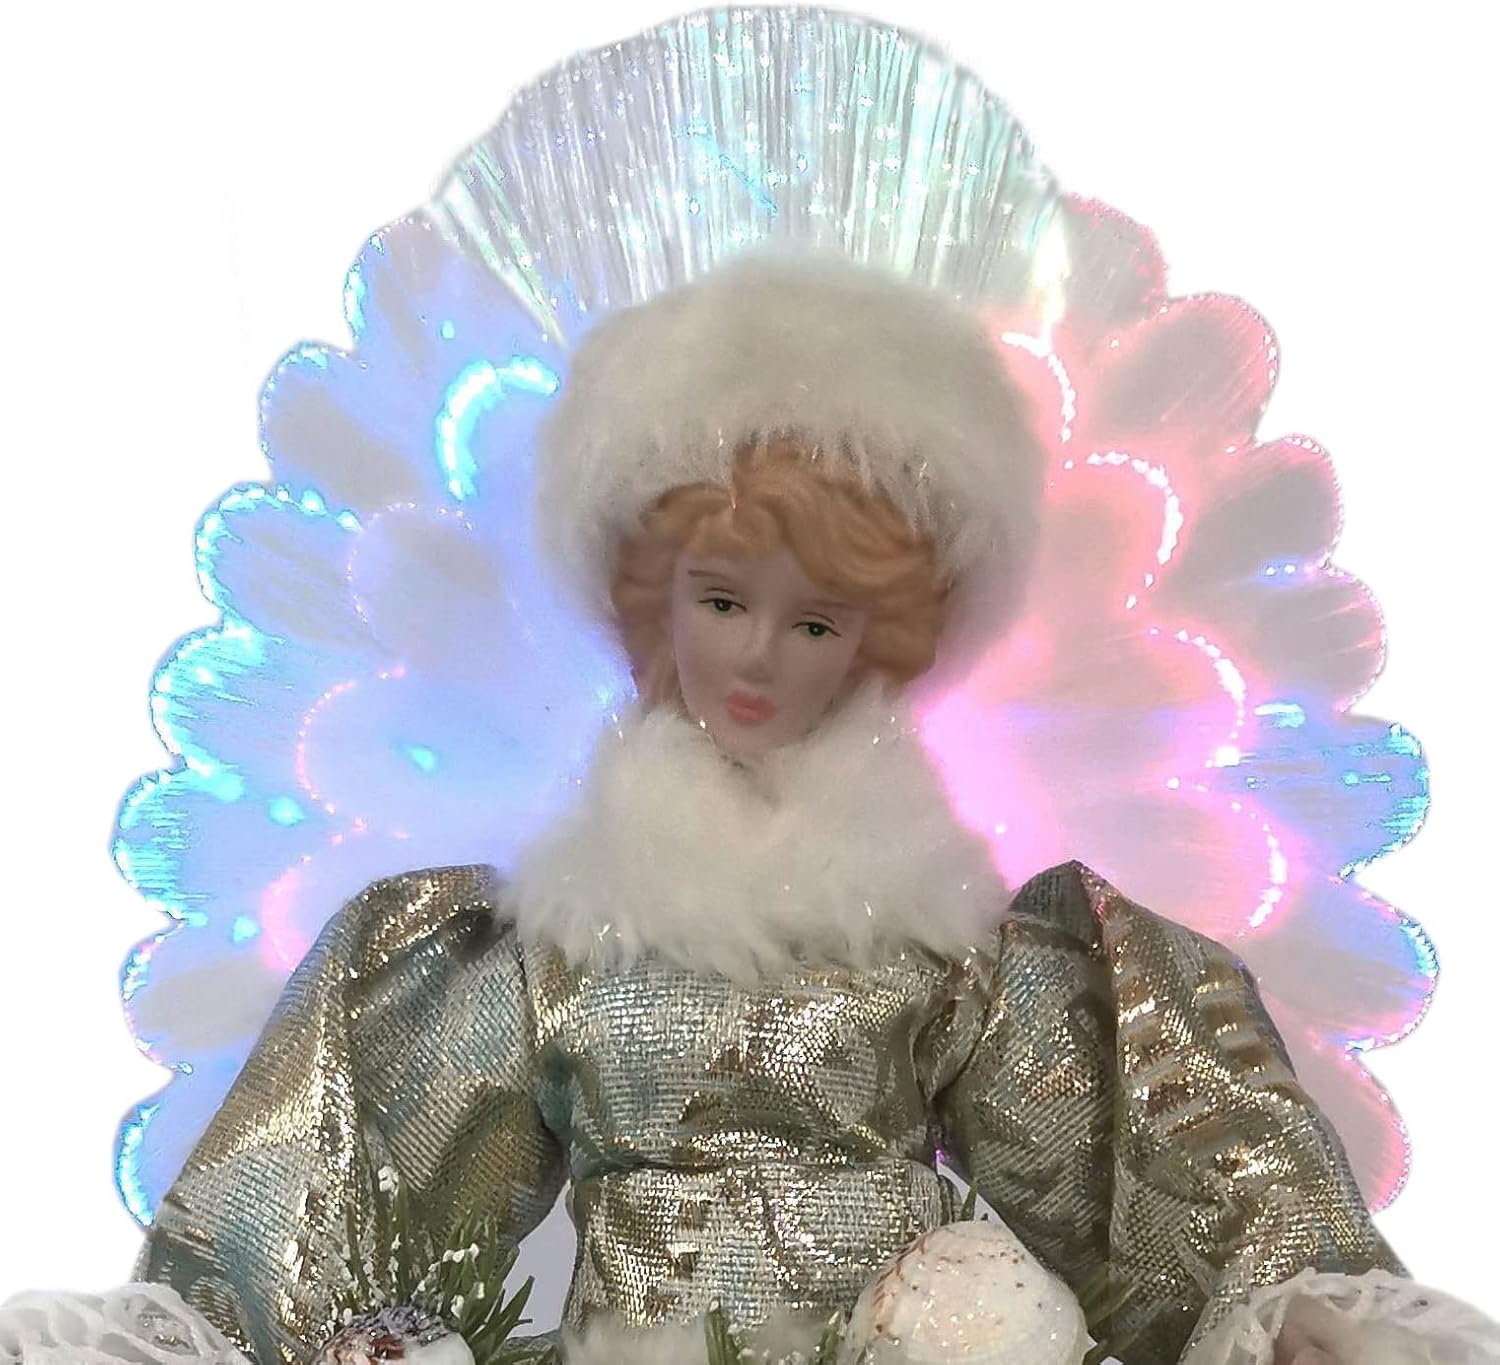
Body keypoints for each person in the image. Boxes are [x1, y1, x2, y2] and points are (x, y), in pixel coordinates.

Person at [109, 254, 1497, 1365]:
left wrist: (1283, 1302)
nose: (761, 657)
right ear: (654, 601)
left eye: (817, 621)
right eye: (723, 601)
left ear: (877, 642)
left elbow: (1128, 1142)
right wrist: (234, 1321)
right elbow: (345, 1169)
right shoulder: (546, 938)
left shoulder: (944, 935)